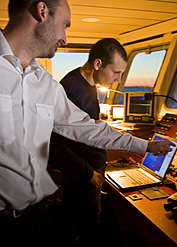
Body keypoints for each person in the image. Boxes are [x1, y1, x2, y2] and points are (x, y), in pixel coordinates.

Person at [0, 0, 175, 246]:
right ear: (42, 11)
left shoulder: (46, 84)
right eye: (65, 25)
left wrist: (144, 146)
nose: (65, 38)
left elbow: (85, 128)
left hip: (33, 220)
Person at [48, 38, 128, 244]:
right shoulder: (71, 90)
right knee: (85, 230)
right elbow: (55, 144)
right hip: (82, 176)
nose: (118, 79)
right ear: (98, 64)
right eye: (116, 72)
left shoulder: (90, 83)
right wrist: (88, 173)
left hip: (91, 170)